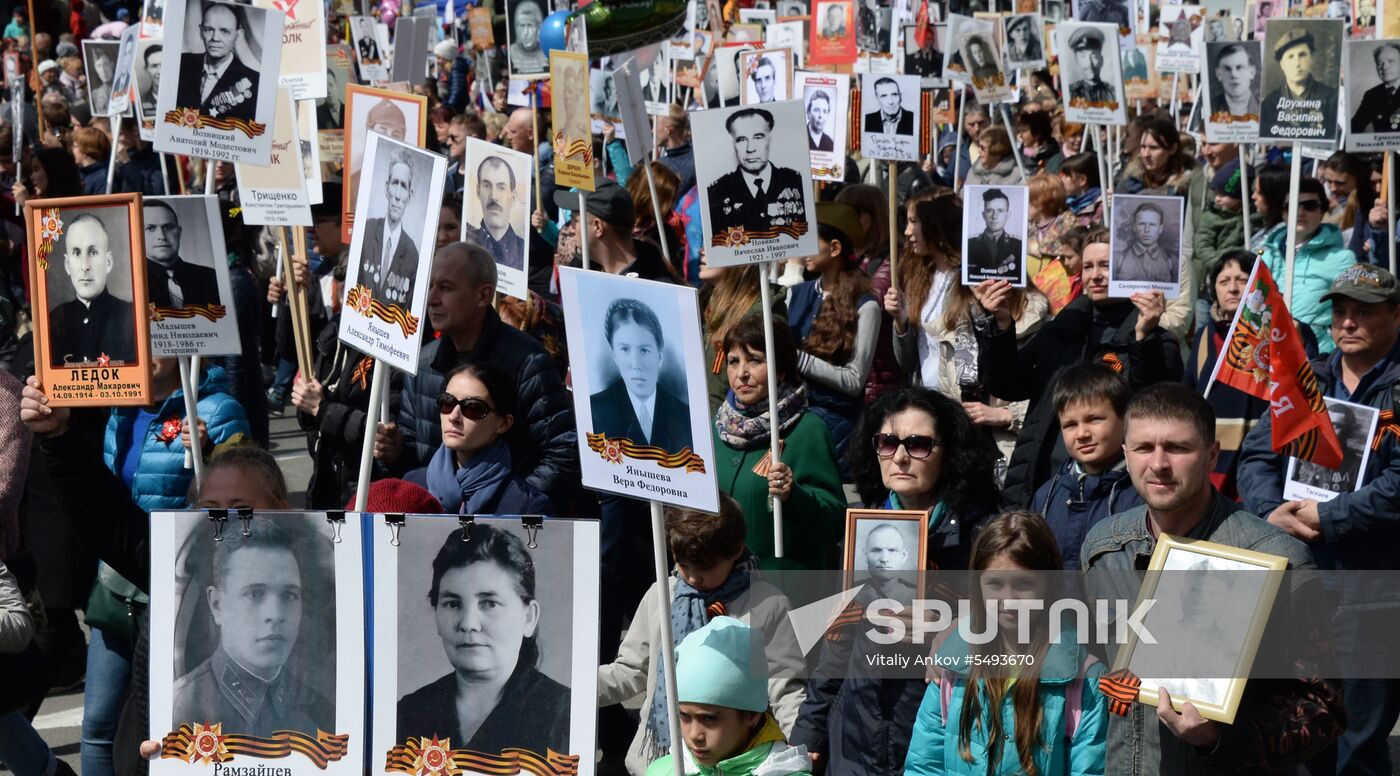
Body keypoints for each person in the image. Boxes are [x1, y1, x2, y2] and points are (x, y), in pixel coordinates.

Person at [1082, 383, 1344, 774]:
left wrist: (1219, 738)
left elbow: (1323, 708)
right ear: (1125, 454)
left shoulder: (1276, 558)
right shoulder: (1103, 548)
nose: (1158, 464)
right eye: (1143, 448)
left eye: (1177, 448)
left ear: (1212, 455)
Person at [1238, 265, 1400, 774]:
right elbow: (1256, 457)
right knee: (1300, 729)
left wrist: (1332, 516)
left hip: (1375, 590)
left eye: (1364, 312)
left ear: (1395, 316)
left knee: (1362, 735)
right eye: (1340, 311)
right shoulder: (1305, 379)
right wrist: (1271, 512)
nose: (1348, 322)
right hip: (1301, 580)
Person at [790, 387, 999, 775]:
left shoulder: (983, 536)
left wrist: (960, 631)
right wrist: (809, 734)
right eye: (887, 442)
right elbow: (837, 643)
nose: (900, 456)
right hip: (856, 736)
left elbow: (1026, 630)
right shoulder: (862, 530)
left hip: (941, 736)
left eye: (918, 444)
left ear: (949, 452)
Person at [598, 496, 806, 775]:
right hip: (659, 761)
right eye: (683, 565)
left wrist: (802, 745)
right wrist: (574, 688)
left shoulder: (767, 604)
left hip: (737, 762)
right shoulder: (662, 594)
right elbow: (632, 669)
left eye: (705, 568)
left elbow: (785, 688)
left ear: (736, 550)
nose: (693, 578)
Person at [974, 227, 1180, 507]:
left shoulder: (1155, 338)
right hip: (1041, 484)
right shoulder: (1059, 330)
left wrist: (1143, 338)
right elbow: (1008, 384)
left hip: (1113, 493)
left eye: (1106, 266)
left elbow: (1153, 409)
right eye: (1088, 266)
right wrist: (1000, 325)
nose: (1095, 275)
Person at [904, 511, 1109, 775]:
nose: (1009, 599)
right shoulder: (951, 665)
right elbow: (924, 766)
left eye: (1024, 583)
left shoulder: (1085, 680)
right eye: (995, 584)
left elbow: (1089, 769)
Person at [376, 242, 578, 506]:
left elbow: (561, 452)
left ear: (484, 296)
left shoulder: (528, 361)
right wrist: (396, 451)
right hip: (436, 522)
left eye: (446, 288)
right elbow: (416, 453)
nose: (432, 299)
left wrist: (511, 506)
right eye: (430, 286)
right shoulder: (423, 362)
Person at [395, 522, 569, 755]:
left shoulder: (564, 712)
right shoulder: (410, 712)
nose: (468, 623)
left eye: (489, 603)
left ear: (529, 617)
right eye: (453, 604)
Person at [171, 518, 331, 737]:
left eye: (289, 595)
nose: (274, 615)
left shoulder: (321, 713)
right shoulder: (180, 710)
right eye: (254, 594)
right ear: (217, 605)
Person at [713, 315, 845, 569]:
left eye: (755, 360)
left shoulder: (807, 430)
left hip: (786, 591)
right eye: (733, 361)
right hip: (723, 590)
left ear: (781, 367)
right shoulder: (715, 428)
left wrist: (794, 496)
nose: (742, 373)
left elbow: (832, 525)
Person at [644, 616, 811, 776]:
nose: (694, 735)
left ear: (752, 715)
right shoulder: (662, 771)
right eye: (684, 716)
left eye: (709, 719)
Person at [786, 202, 880, 460]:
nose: (803, 249)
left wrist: (800, 360)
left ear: (835, 248)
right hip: (794, 424)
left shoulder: (866, 305)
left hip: (837, 432)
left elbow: (854, 381)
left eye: (811, 241)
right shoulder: (795, 294)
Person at [1028, 365, 1142, 569]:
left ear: (1124, 419)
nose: (1082, 434)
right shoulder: (1046, 496)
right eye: (1070, 425)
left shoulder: (1143, 492)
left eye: (1094, 419)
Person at [406, 362, 552, 514]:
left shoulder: (527, 506)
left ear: (504, 423)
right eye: (447, 402)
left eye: (473, 407)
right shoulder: (410, 485)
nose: (454, 417)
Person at [1257, 178, 1355, 350]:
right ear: (1283, 212)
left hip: (1313, 356)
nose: (1300, 212)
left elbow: (1352, 313)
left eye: (1309, 205)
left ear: (1322, 211)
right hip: (1266, 352)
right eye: (1292, 206)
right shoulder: (1264, 254)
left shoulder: (1342, 259)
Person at [589, 298, 694, 455]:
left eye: (644, 350)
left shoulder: (685, 416)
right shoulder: (594, 410)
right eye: (625, 349)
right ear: (615, 356)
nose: (636, 364)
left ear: (659, 357)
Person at [48, 213, 137, 368]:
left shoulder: (131, 316)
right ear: (67, 265)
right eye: (76, 252)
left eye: (93, 252)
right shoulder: (53, 321)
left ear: (108, 262)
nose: (84, 266)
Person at [706, 107, 807, 237]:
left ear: (770, 139)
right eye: (742, 139)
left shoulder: (796, 182)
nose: (750, 148)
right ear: (733, 144)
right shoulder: (716, 192)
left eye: (758, 137)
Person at [174, 1, 259, 121]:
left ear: (238, 36)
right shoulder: (180, 64)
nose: (215, 38)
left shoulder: (255, 82)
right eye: (209, 30)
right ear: (201, 31)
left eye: (224, 31)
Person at [357, 148, 419, 308]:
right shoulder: (366, 231)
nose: (398, 195)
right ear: (386, 188)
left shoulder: (412, 254)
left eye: (404, 186)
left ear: (410, 196)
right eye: (395, 183)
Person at [1259, 27, 1339, 137]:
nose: (1297, 63)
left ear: (1311, 59)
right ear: (1282, 64)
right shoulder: (1268, 105)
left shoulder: (1331, 98)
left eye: (1302, 55)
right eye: (1290, 57)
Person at [143, 200, 220, 309]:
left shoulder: (210, 277)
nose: (161, 236)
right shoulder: (133, 283)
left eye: (168, 227)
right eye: (150, 228)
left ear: (179, 232)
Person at [467, 156, 525, 272]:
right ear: (478, 191)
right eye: (487, 186)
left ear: (513, 198)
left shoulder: (522, 249)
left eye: (501, 188)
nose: (493, 196)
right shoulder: (466, 242)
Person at [967, 188, 1024, 280]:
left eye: (1000, 211)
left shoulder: (1019, 246)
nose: (994, 216)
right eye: (990, 210)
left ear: (1008, 215)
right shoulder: (969, 244)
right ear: (983, 215)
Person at [1114, 202, 1176, 284]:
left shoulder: (1172, 260)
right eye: (1142, 224)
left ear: (1160, 229)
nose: (1147, 230)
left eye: (1152, 224)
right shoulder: (1118, 259)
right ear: (1134, 227)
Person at [1351, 42, 1400, 134]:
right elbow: (1354, 127)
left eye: (1390, 61)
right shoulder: (1372, 95)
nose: (1384, 67)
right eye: (1380, 63)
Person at [1066, 27, 1115, 107]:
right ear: (1076, 61)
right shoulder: (1070, 93)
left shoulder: (1113, 93)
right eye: (1083, 56)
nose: (1089, 63)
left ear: (1101, 60)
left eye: (1094, 56)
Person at [1208, 43, 1260, 118]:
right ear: (1218, 74)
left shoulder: (1264, 106)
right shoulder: (1209, 108)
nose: (1233, 75)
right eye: (1227, 68)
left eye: (1239, 67)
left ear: (1252, 73)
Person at [1059, 152, 1103, 226]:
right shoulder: (1067, 206)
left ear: (1082, 180)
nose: (1061, 179)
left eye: (1066, 176)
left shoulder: (1101, 207)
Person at [508, 0, 548, 74]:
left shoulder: (546, 51)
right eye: (522, 26)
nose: (526, 32)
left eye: (530, 25)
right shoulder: (512, 51)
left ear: (538, 28)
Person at [138, 44, 162, 116]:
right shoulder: (141, 103)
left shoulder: (184, 97)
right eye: (154, 66)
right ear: (146, 70)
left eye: (163, 64)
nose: (159, 71)